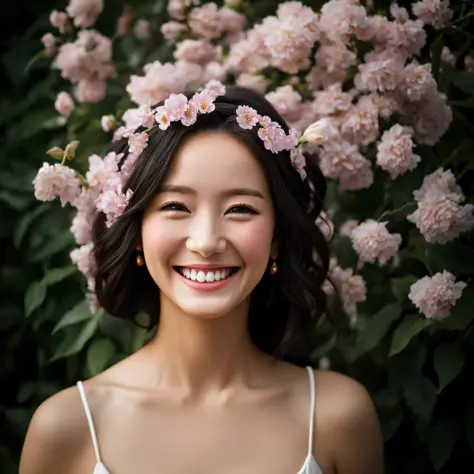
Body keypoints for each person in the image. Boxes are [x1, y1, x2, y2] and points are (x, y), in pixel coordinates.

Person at [19, 84, 384, 474]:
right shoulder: (67, 427)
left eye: (240, 209)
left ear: (277, 236)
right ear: (136, 228)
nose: (207, 242)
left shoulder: (337, 418)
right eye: (175, 206)